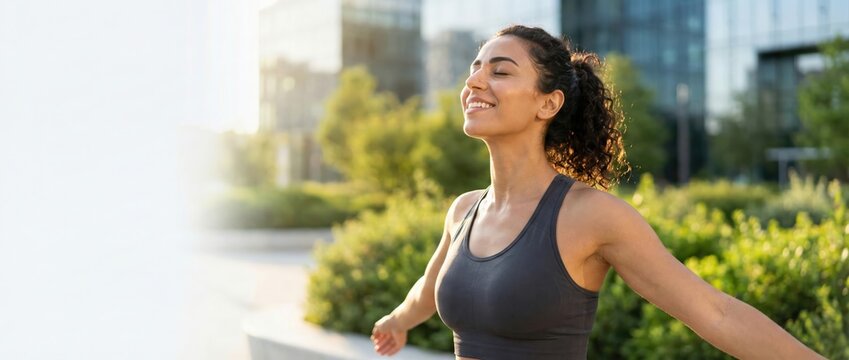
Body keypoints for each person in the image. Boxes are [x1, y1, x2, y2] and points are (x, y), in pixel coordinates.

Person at [370, 25, 825, 360]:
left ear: (548, 103)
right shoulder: (464, 210)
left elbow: (716, 313)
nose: (474, 82)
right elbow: (428, 292)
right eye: (474, 69)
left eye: (500, 71)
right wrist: (398, 321)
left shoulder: (590, 216)